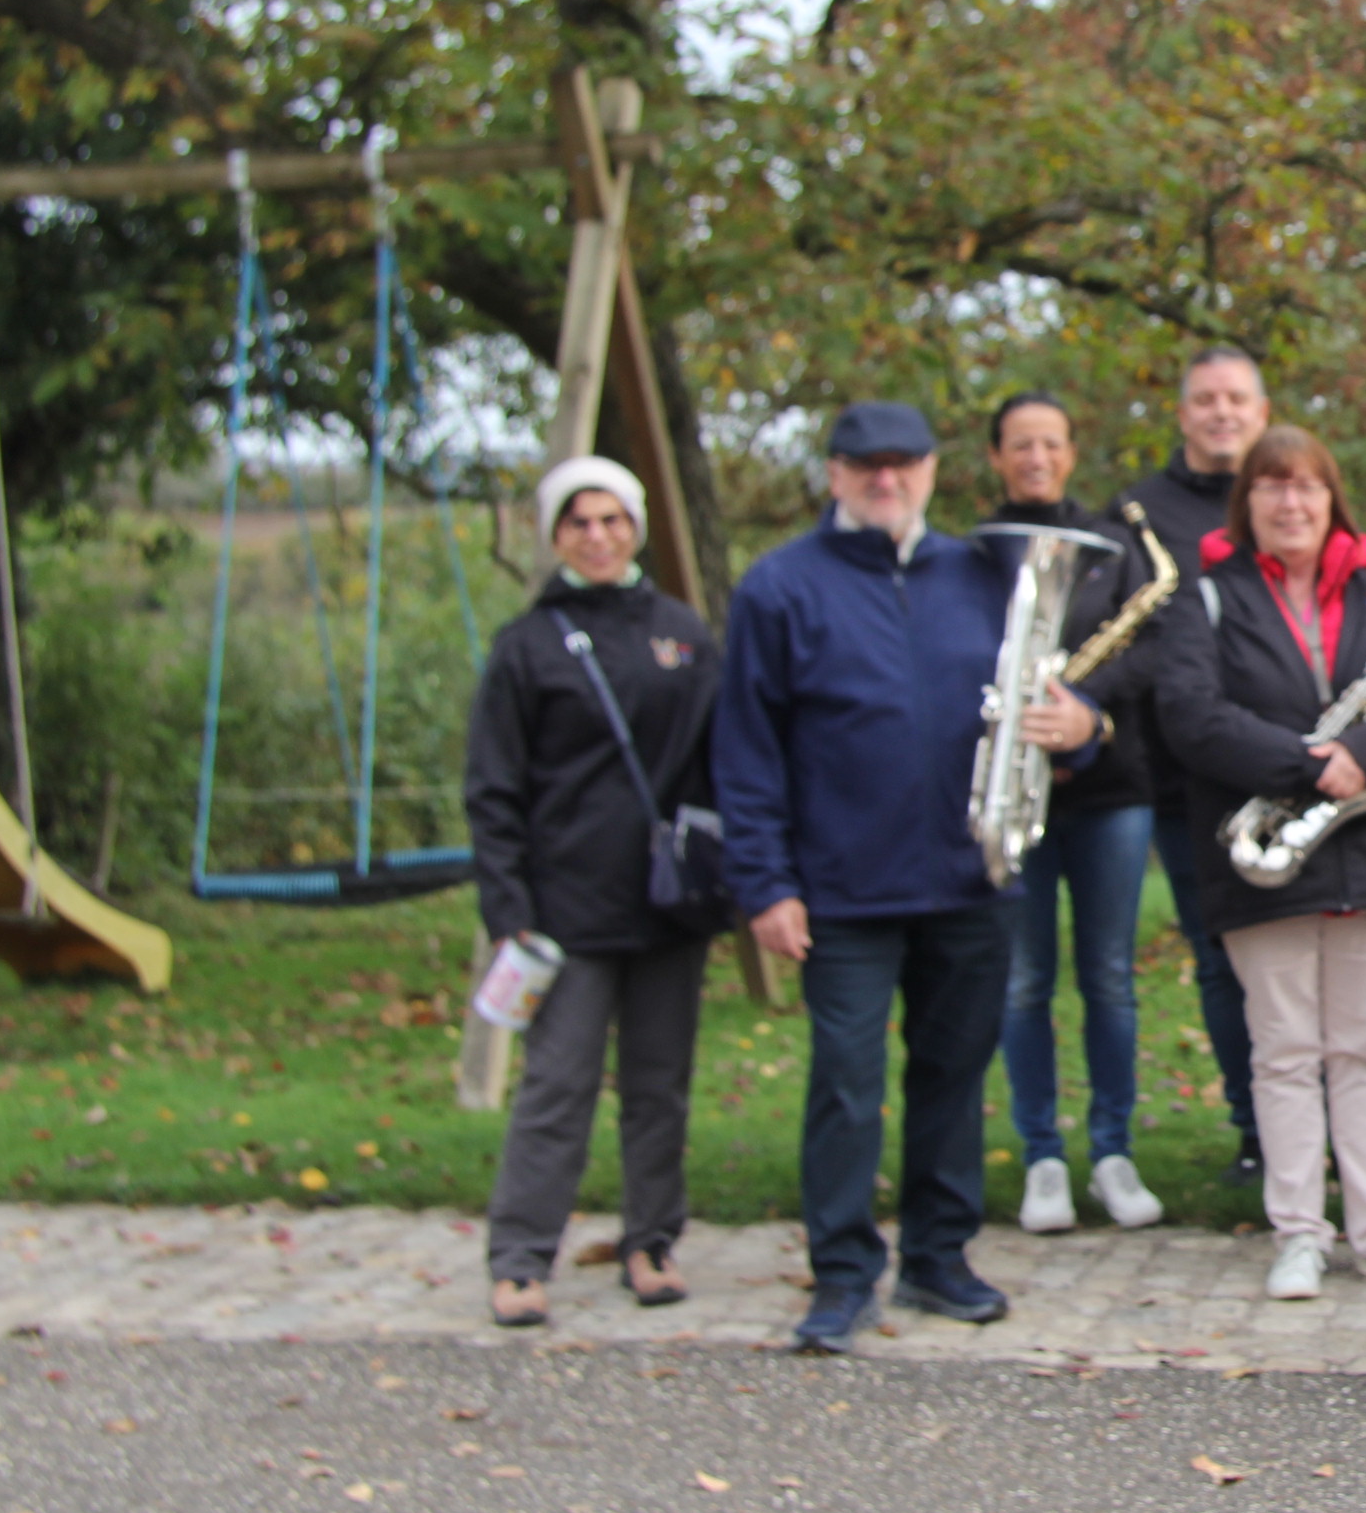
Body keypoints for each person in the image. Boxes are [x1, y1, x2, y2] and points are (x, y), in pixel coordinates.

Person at [720, 401, 1107, 1353]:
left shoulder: (982, 578)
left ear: (933, 471)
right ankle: (845, 1275)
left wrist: (1084, 728)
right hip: (841, 891)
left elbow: (1043, 693)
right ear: (835, 475)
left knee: (951, 1077)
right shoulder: (778, 589)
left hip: (969, 881)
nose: (885, 481)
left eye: (903, 464)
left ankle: (939, 1257)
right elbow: (745, 755)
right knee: (846, 1085)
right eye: (864, 466)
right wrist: (766, 884)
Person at [1155, 425, 1366, 1300]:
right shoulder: (1205, 597)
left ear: (1332, 500)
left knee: (1360, 1049)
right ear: (1246, 503)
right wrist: (1306, 764)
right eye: (1271, 487)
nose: (1291, 503)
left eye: (1307, 487)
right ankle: (1299, 1234)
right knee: (1284, 1050)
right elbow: (1188, 712)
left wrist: (1365, 750)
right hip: (1265, 851)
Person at [464, 456, 720, 1327]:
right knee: (557, 1085)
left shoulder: (684, 634)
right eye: (581, 522)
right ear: (555, 534)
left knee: (660, 1085)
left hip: (667, 906)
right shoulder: (526, 647)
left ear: (638, 527)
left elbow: (721, 766)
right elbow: (493, 792)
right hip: (564, 911)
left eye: (614, 520)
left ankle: (651, 1244)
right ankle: (521, 1256)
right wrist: (508, 912)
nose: (600, 536)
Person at [982, 392, 1164, 1237]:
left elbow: (1146, 653)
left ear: (1069, 452)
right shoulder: (969, 558)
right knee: (1022, 982)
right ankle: (1042, 1157)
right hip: (1010, 790)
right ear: (996, 457)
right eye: (1020, 445)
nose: (1035, 457)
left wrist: (1088, 712)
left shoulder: (1114, 549)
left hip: (1108, 791)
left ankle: (1114, 1151)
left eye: (1050, 443)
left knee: (1109, 979)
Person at [1117, 346, 1274, 1186]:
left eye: (1237, 400)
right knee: (1221, 960)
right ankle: (1254, 1127)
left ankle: (1312, 1123)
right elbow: (1127, 635)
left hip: (1288, 774)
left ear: (1261, 410)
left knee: (1297, 957)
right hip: (1187, 783)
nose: (1221, 413)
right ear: (1184, 414)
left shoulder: (1289, 492)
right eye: (1206, 400)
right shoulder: (1140, 513)